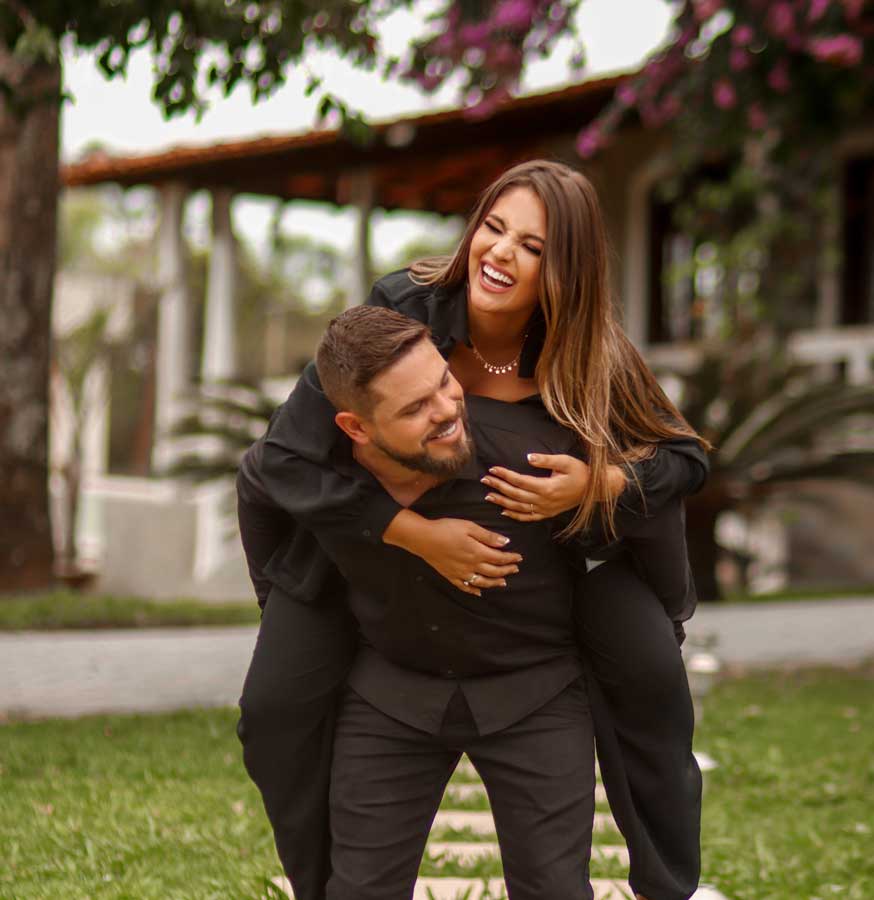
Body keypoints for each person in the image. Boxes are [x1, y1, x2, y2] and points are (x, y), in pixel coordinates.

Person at [239, 160, 710, 900]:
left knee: (654, 688)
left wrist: (604, 481)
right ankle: (317, 883)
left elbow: (685, 460)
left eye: (532, 245)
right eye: (493, 227)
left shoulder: (592, 356)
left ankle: (668, 881)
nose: (500, 253)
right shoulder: (403, 307)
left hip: (546, 624)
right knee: (270, 716)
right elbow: (283, 461)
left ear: (567, 269)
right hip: (359, 564)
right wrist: (413, 535)